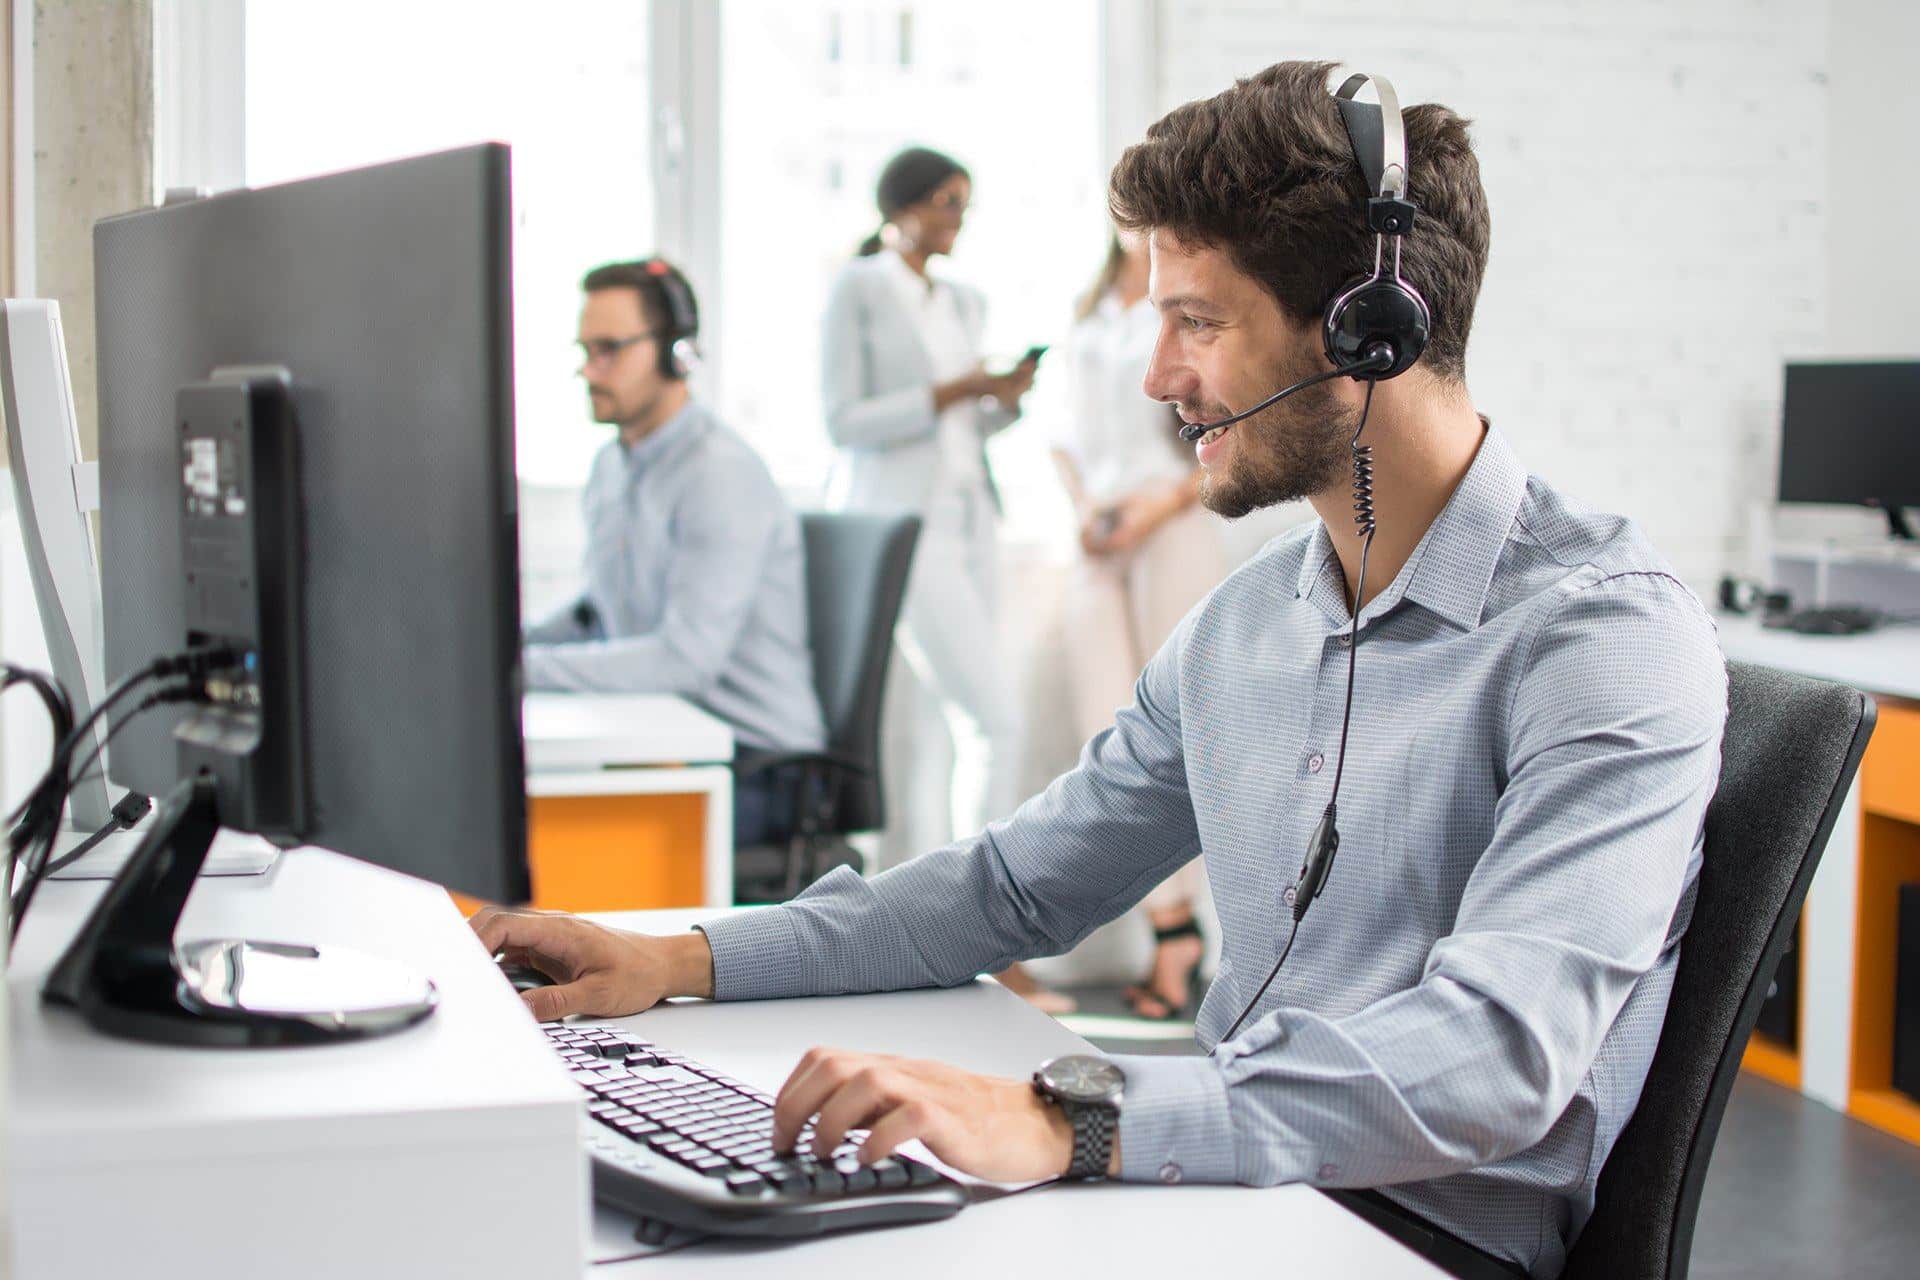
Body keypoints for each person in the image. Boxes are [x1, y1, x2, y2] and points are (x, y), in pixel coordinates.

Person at [474, 63, 1725, 1279]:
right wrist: (679, 957)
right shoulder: (1246, 626)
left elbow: (1494, 1059)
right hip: (1225, 1194)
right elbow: (1012, 889)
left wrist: (1071, 1115)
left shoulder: (1602, 638)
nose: (1157, 377)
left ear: (1365, 328)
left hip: (1412, 1238)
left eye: (1198, 321)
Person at [817, 146, 1065, 1011]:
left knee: (936, 736)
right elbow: (844, 421)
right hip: (902, 526)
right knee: (991, 718)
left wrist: (1003, 399)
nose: (956, 219)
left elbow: (970, 430)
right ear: (902, 207)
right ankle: (988, 934)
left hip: (971, 519)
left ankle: (916, 934)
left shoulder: (963, 298)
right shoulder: (859, 288)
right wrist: (960, 386)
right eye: (945, 204)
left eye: (965, 204)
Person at [524, 258, 826, 846]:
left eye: (609, 349)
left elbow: (685, 659)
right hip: (668, 741)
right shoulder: (612, 465)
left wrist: (520, 674)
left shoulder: (719, 476)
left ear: (676, 354)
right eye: (584, 349)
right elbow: (599, 612)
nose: (590, 370)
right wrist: (504, 648)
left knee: (555, 843)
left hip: (757, 766)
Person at [1055, 226, 1228, 1020]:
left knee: (1181, 727)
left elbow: (1225, 424)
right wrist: (1090, 511)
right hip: (1103, 531)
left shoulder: (1189, 305)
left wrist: (1155, 507)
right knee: (1111, 730)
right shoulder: (1090, 306)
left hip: (1172, 519)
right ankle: (1172, 924)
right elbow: (1063, 436)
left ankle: (1179, 935)